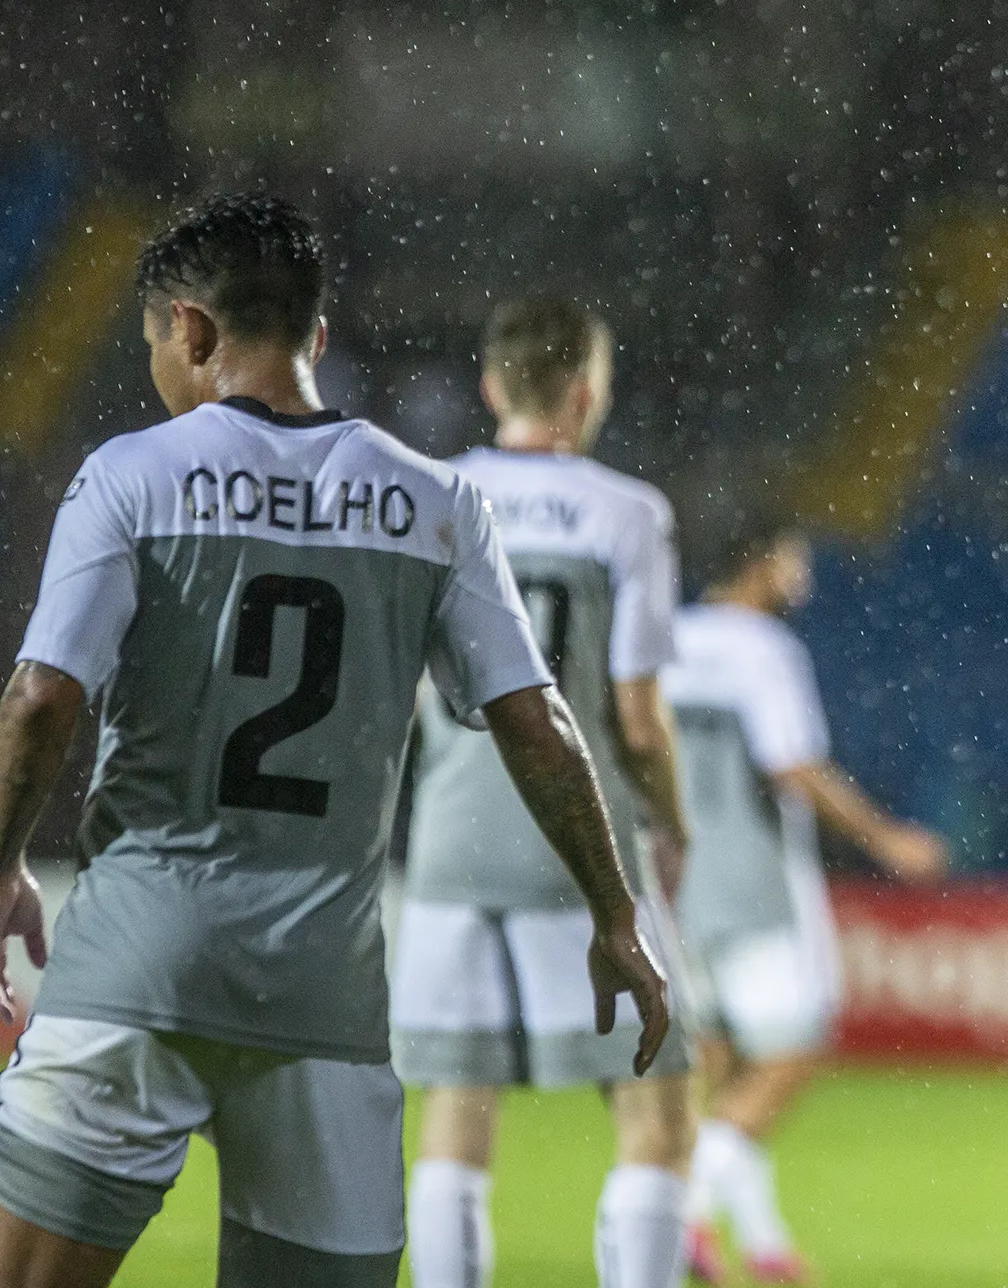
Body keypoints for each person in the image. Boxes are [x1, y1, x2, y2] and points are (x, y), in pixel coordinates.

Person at [0, 194, 668, 1288]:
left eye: (156, 348)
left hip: (139, 960)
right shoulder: (438, 501)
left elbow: (38, 699)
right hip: (321, 991)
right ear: (314, 337)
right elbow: (540, 727)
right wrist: (613, 911)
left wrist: (2, 860)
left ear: (193, 332)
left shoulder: (133, 474)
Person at [390, 294, 698, 1288]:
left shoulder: (428, 496)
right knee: (652, 1106)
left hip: (450, 837)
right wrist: (673, 821)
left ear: (490, 388)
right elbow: (639, 715)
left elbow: (395, 696)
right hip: (578, 838)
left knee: (455, 1104)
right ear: (585, 390)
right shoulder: (627, 512)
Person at [665, 516, 948, 1284]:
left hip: (678, 881)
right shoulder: (764, 650)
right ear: (756, 564)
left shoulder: (670, 637)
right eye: (793, 561)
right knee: (792, 1052)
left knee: (720, 1065)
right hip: (755, 880)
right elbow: (793, 765)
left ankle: (761, 1245)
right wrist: (888, 839)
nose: (804, 577)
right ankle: (684, 1215)